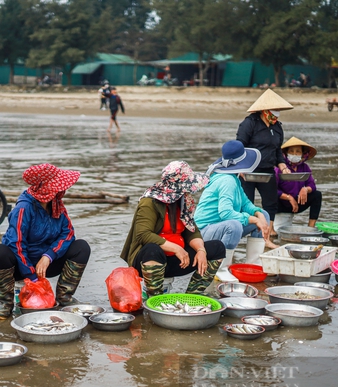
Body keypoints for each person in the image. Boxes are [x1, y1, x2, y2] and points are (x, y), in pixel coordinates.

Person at [0, 163, 90, 319]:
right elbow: (16, 244)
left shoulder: (57, 205)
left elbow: (68, 233)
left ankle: (64, 297)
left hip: (46, 264)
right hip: (22, 265)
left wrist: (48, 256)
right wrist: (31, 276)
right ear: (46, 188)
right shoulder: (24, 208)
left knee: (82, 247)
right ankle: (5, 303)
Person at [120, 161, 226, 298]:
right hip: (149, 260)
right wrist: (177, 249)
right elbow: (143, 235)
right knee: (153, 249)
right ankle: (155, 298)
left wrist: (201, 250)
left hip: (179, 261)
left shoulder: (182, 201)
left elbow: (191, 230)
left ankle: (193, 296)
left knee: (217, 247)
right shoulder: (149, 202)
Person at [195, 140, 276, 282]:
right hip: (204, 231)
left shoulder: (234, 179)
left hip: (219, 226)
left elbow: (246, 204)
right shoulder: (227, 181)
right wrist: (253, 220)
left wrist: (258, 215)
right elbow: (225, 213)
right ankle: (220, 268)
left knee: (264, 214)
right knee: (235, 225)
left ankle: (253, 264)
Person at [236, 89, 293, 236]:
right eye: (274, 110)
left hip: (267, 171)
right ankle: (247, 230)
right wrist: (240, 166)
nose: (277, 113)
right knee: (247, 202)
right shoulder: (249, 123)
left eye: (279, 110)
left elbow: (277, 150)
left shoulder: (277, 127)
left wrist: (283, 166)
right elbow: (240, 145)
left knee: (271, 201)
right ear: (264, 110)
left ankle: (269, 230)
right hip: (248, 171)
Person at [273, 137, 322, 232]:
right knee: (271, 197)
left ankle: (311, 228)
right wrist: (289, 198)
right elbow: (272, 190)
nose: (294, 154)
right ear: (286, 153)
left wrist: (305, 189)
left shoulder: (305, 167)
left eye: (298, 151)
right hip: (282, 203)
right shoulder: (280, 168)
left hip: (298, 202)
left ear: (302, 154)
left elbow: (312, 185)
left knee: (317, 195)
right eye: (291, 151)